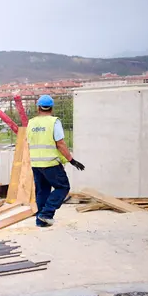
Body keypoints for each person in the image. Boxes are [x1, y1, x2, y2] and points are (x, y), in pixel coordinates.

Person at [26, 95, 85, 227]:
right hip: (51, 163)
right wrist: (71, 160)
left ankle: (40, 222)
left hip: (36, 164)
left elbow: (31, 143)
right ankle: (46, 214)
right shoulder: (54, 122)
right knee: (63, 187)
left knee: (42, 191)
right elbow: (60, 144)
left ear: (38, 108)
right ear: (51, 108)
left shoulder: (31, 123)